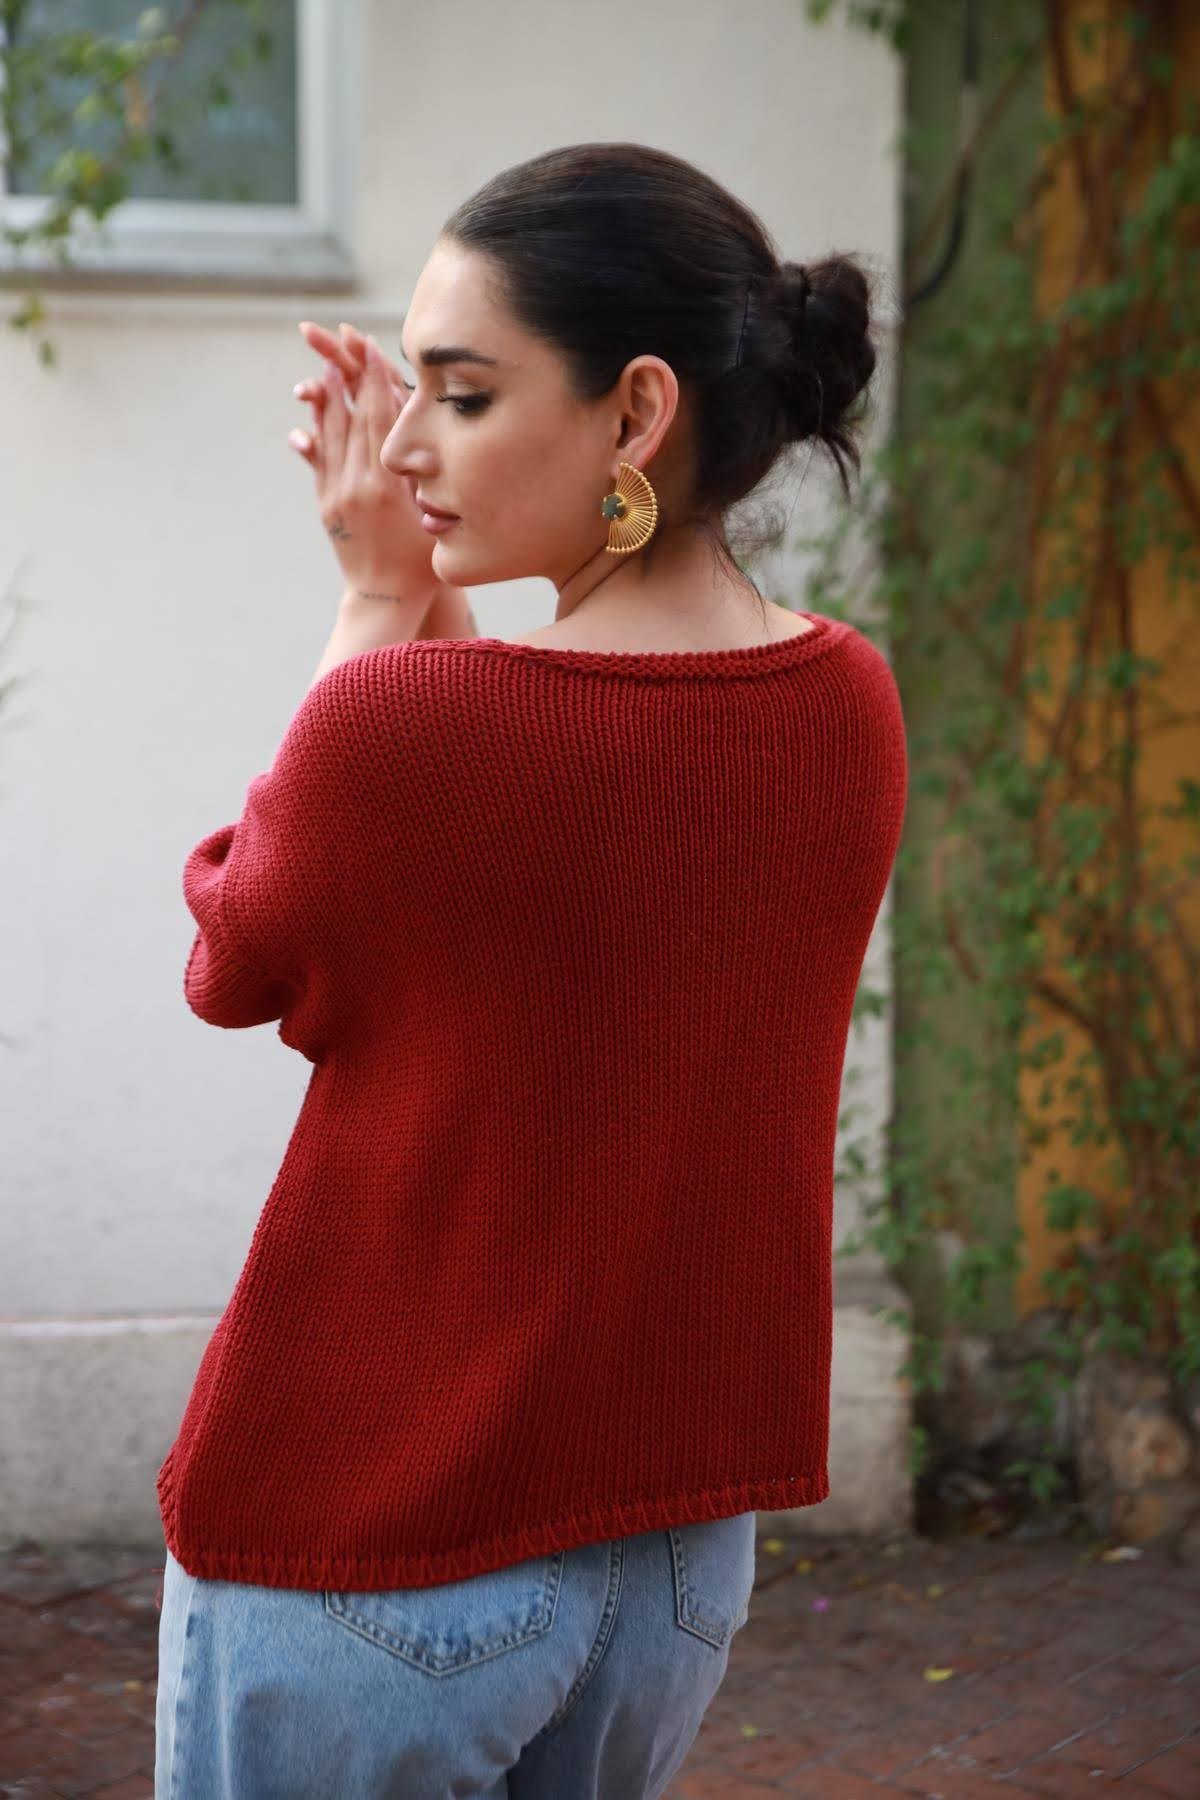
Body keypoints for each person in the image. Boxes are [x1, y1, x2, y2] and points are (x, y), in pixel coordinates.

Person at [155, 140, 906, 1798]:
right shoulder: (845, 702)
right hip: (673, 1558)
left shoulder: (403, 729)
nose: (406, 446)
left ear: (637, 413)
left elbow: (239, 952)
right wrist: (418, 611)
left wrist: (377, 599)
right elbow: (505, 862)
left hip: (377, 1537)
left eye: (466, 394)